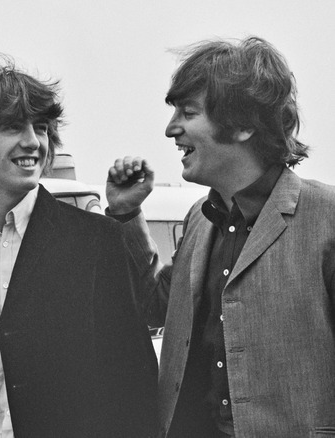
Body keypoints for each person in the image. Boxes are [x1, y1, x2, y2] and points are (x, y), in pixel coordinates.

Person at [0, 59, 157, 438]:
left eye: (41, 128)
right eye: (12, 127)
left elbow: (133, 378)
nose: (33, 142)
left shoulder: (98, 241)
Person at [107, 36, 335, 437]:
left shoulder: (326, 217)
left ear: (243, 124)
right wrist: (126, 214)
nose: (170, 129)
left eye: (187, 112)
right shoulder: (200, 218)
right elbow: (154, 307)